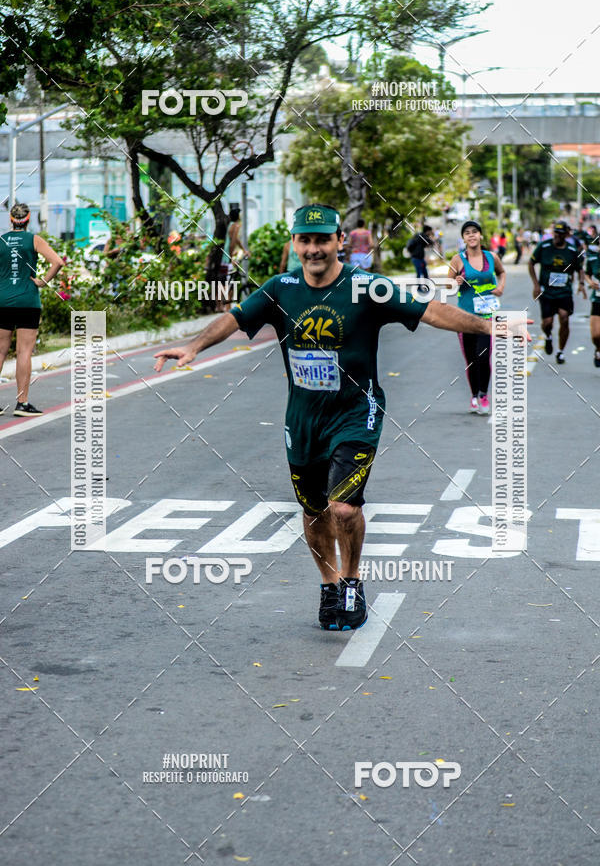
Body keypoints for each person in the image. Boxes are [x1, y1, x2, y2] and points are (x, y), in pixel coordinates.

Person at [154, 203, 529, 632]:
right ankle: (329, 584)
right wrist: (193, 348)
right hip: (303, 419)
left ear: (339, 242)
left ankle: (352, 581)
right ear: (295, 243)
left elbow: (428, 311)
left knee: (343, 509)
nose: (314, 249)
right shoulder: (281, 288)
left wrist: (487, 326)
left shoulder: (367, 286)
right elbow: (235, 319)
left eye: (322, 240)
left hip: (357, 412)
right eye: (305, 241)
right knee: (313, 511)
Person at [0, 203, 64, 416]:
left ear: (11, 219)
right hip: (27, 301)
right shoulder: (34, 240)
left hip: (3, 301)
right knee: (24, 352)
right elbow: (57, 262)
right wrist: (43, 281)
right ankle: (22, 403)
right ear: (28, 220)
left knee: (0, 351)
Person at [448, 220, 506, 415]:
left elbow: (502, 272)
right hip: (464, 317)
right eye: (467, 233)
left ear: (481, 235)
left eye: (474, 232)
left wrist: (500, 287)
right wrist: (455, 282)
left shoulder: (491, 257)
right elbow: (447, 285)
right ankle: (473, 397)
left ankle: (483, 394)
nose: (471, 235)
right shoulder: (458, 259)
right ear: (463, 238)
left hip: (487, 316)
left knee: (483, 356)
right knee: (471, 359)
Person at [529, 219, 586, 364]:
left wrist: (580, 283)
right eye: (556, 233)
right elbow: (531, 263)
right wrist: (536, 285)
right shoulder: (544, 246)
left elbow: (580, 268)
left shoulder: (572, 250)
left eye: (561, 233)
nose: (558, 236)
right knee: (547, 322)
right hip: (547, 291)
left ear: (566, 234)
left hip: (564, 292)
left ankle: (560, 352)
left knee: (564, 317)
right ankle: (548, 336)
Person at [218, 207, 250, 312]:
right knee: (229, 283)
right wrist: (231, 257)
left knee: (223, 281)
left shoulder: (231, 225)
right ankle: (227, 307)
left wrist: (243, 250)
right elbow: (232, 244)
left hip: (224, 258)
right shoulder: (236, 226)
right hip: (227, 259)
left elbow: (236, 240)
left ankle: (220, 306)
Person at [584, 225, 600, 367]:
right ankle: (598, 349)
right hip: (597, 299)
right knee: (596, 335)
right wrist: (590, 282)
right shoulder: (593, 258)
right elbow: (587, 274)